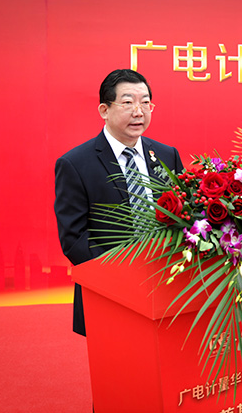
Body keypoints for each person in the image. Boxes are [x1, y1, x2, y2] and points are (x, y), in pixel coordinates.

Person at [54, 69, 184, 336]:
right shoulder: (75, 163)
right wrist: (122, 277)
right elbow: (74, 238)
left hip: (165, 285)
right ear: (104, 110)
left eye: (145, 102)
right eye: (127, 102)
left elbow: (183, 216)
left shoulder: (166, 155)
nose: (139, 112)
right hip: (109, 290)